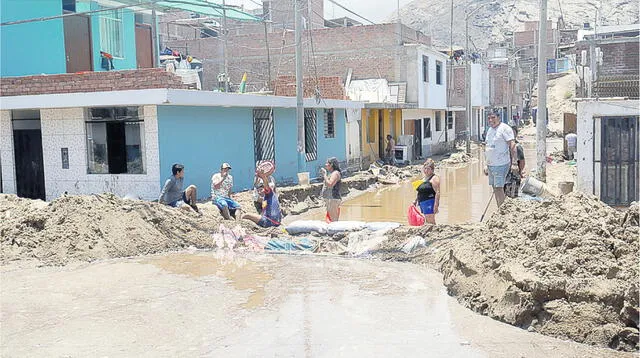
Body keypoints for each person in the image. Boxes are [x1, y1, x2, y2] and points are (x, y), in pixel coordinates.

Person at [484, 111, 518, 207]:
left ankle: (502, 211)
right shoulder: (490, 130)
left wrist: (514, 163)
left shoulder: (505, 129)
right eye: (489, 118)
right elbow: (487, 147)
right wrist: (486, 164)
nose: (491, 120)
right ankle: (500, 208)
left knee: (499, 188)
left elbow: (512, 145)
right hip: (491, 164)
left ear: (499, 118)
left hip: (500, 164)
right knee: (495, 188)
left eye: (493, 117)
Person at [414, 159, 440, 225]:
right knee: (427, 220)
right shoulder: (424, 178)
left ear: (432, 169)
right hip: (423, 203)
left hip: (430, 202)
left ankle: (434, 233)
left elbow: (437, 192)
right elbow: (420, 191)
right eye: (425, 168)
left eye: (428, 169)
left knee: (431, 220)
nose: (426, 171)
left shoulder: (434, 178)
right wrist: (415, 200)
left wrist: (436, 206)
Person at [504, 126, 526, 198]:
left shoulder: (517, 147)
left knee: (511, 197)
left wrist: (520, 172)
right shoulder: (504, 146)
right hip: (503, 175)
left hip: (513, 177)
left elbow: (522, 161)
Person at [320, 157, 342, 222]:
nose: (325, 165)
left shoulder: (335, 173)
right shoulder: (331, 173)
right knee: (330, 219)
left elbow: (330, 184)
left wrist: (324, 175)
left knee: (333, 220)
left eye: (327, 163)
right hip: (330, 199)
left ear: (331, 164)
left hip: (333, 199)